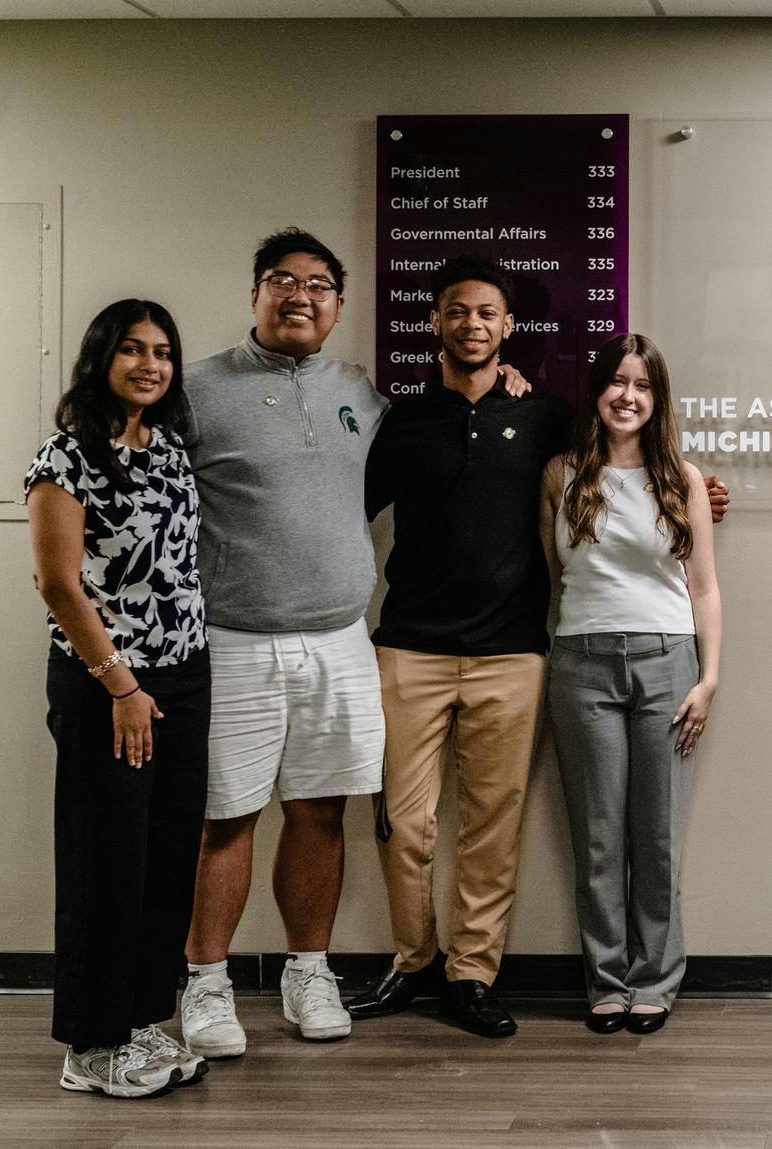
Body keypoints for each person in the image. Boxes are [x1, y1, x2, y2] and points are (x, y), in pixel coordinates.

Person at [348, 255, 734, 1037]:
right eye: (457, 311)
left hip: (514, 651)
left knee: (496, 823)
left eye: (487, 312)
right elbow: (343, 510)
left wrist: (705, 490)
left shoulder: (549, 419)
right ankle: (413, 958)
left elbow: (647, 492)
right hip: (416, 645)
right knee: (405, 820)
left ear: (508, 327)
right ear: (434, 321)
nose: (472, 324)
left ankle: (474, 975)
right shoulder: (404, 421)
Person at [175, 228, 524, 1057]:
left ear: (338, 305)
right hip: (235, 640)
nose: (300, 296)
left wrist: (506, 386)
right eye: (281, 282)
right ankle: (206, 986)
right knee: (226, 817)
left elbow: (459, 427)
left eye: (319, 285)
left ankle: (308, 972)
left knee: (321, 812)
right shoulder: (194, 391)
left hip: (340, 640)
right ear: (255, 294)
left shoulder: (360, 392)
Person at [27, 299, 210, 1097]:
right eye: (132, 349)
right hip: (108, 684)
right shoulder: (65, 456)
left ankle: (139, 1023)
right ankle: (90, 1047)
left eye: (163, 351)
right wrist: (122, 684)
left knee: (165, 862)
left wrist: (165, 679)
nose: (150, 364)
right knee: (105, 864)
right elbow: (59, 583)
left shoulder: (169, 448)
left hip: (182, 678)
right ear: (101, 357)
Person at [541, 334, 721, 1036]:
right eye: (616, 382)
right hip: (580, 662)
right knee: (598, 837)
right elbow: (553, 577)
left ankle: (655, 978)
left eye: (642, 386)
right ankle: (607, 980)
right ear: (597, 391)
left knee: (658, 835)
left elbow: (704, 587)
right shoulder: (560, 473)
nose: (628, 396)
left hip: (665, 660)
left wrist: (708, 678)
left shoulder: (680, 477)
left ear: (658, 398)